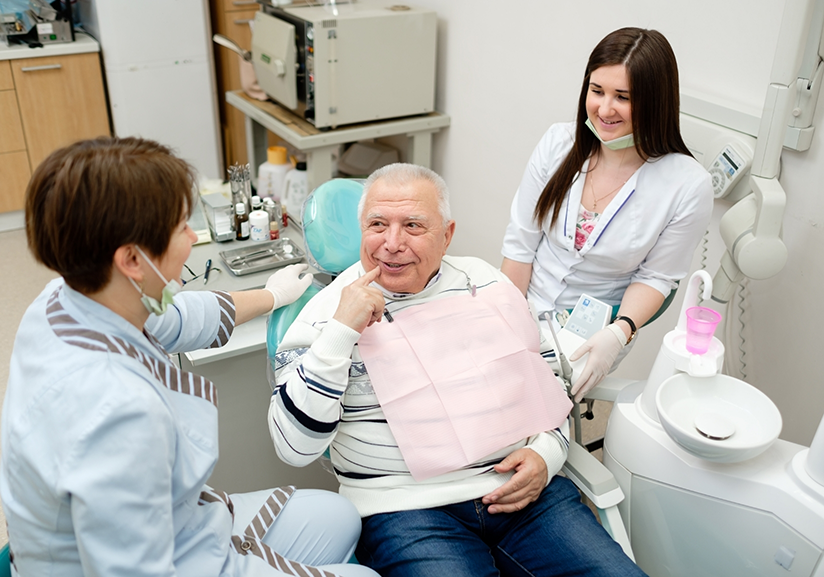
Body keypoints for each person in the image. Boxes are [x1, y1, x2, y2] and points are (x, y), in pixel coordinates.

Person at [0, 137, 378, 577]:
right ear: (131, 260)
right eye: (181, 226)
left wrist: (272, 294)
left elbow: (176, 316)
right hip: (154, 562)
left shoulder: (68, 297)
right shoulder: (113, 411)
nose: (191, 237)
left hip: (177, 522)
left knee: (342, 517)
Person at [270, 163, 646, 576]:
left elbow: (547, 382)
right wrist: (341, 334)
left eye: (413, 225)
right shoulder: (323, 318)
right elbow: (294, 449)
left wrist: (546, 453)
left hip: (522, 492)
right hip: (405, 509)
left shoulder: (485, 285)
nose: (391, 243)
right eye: (377, 224)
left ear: (447, 235)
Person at [501, 27, 713, 401]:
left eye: (623, 97)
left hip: (597, 331)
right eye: (596, 91)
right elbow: (521, 242)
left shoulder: (687, 184)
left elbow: (657, 276)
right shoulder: (559, 143)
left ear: (656, 102)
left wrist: (619, 333)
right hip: (523, 302)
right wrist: (507, 320)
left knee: (530, 406)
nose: (604, 109)